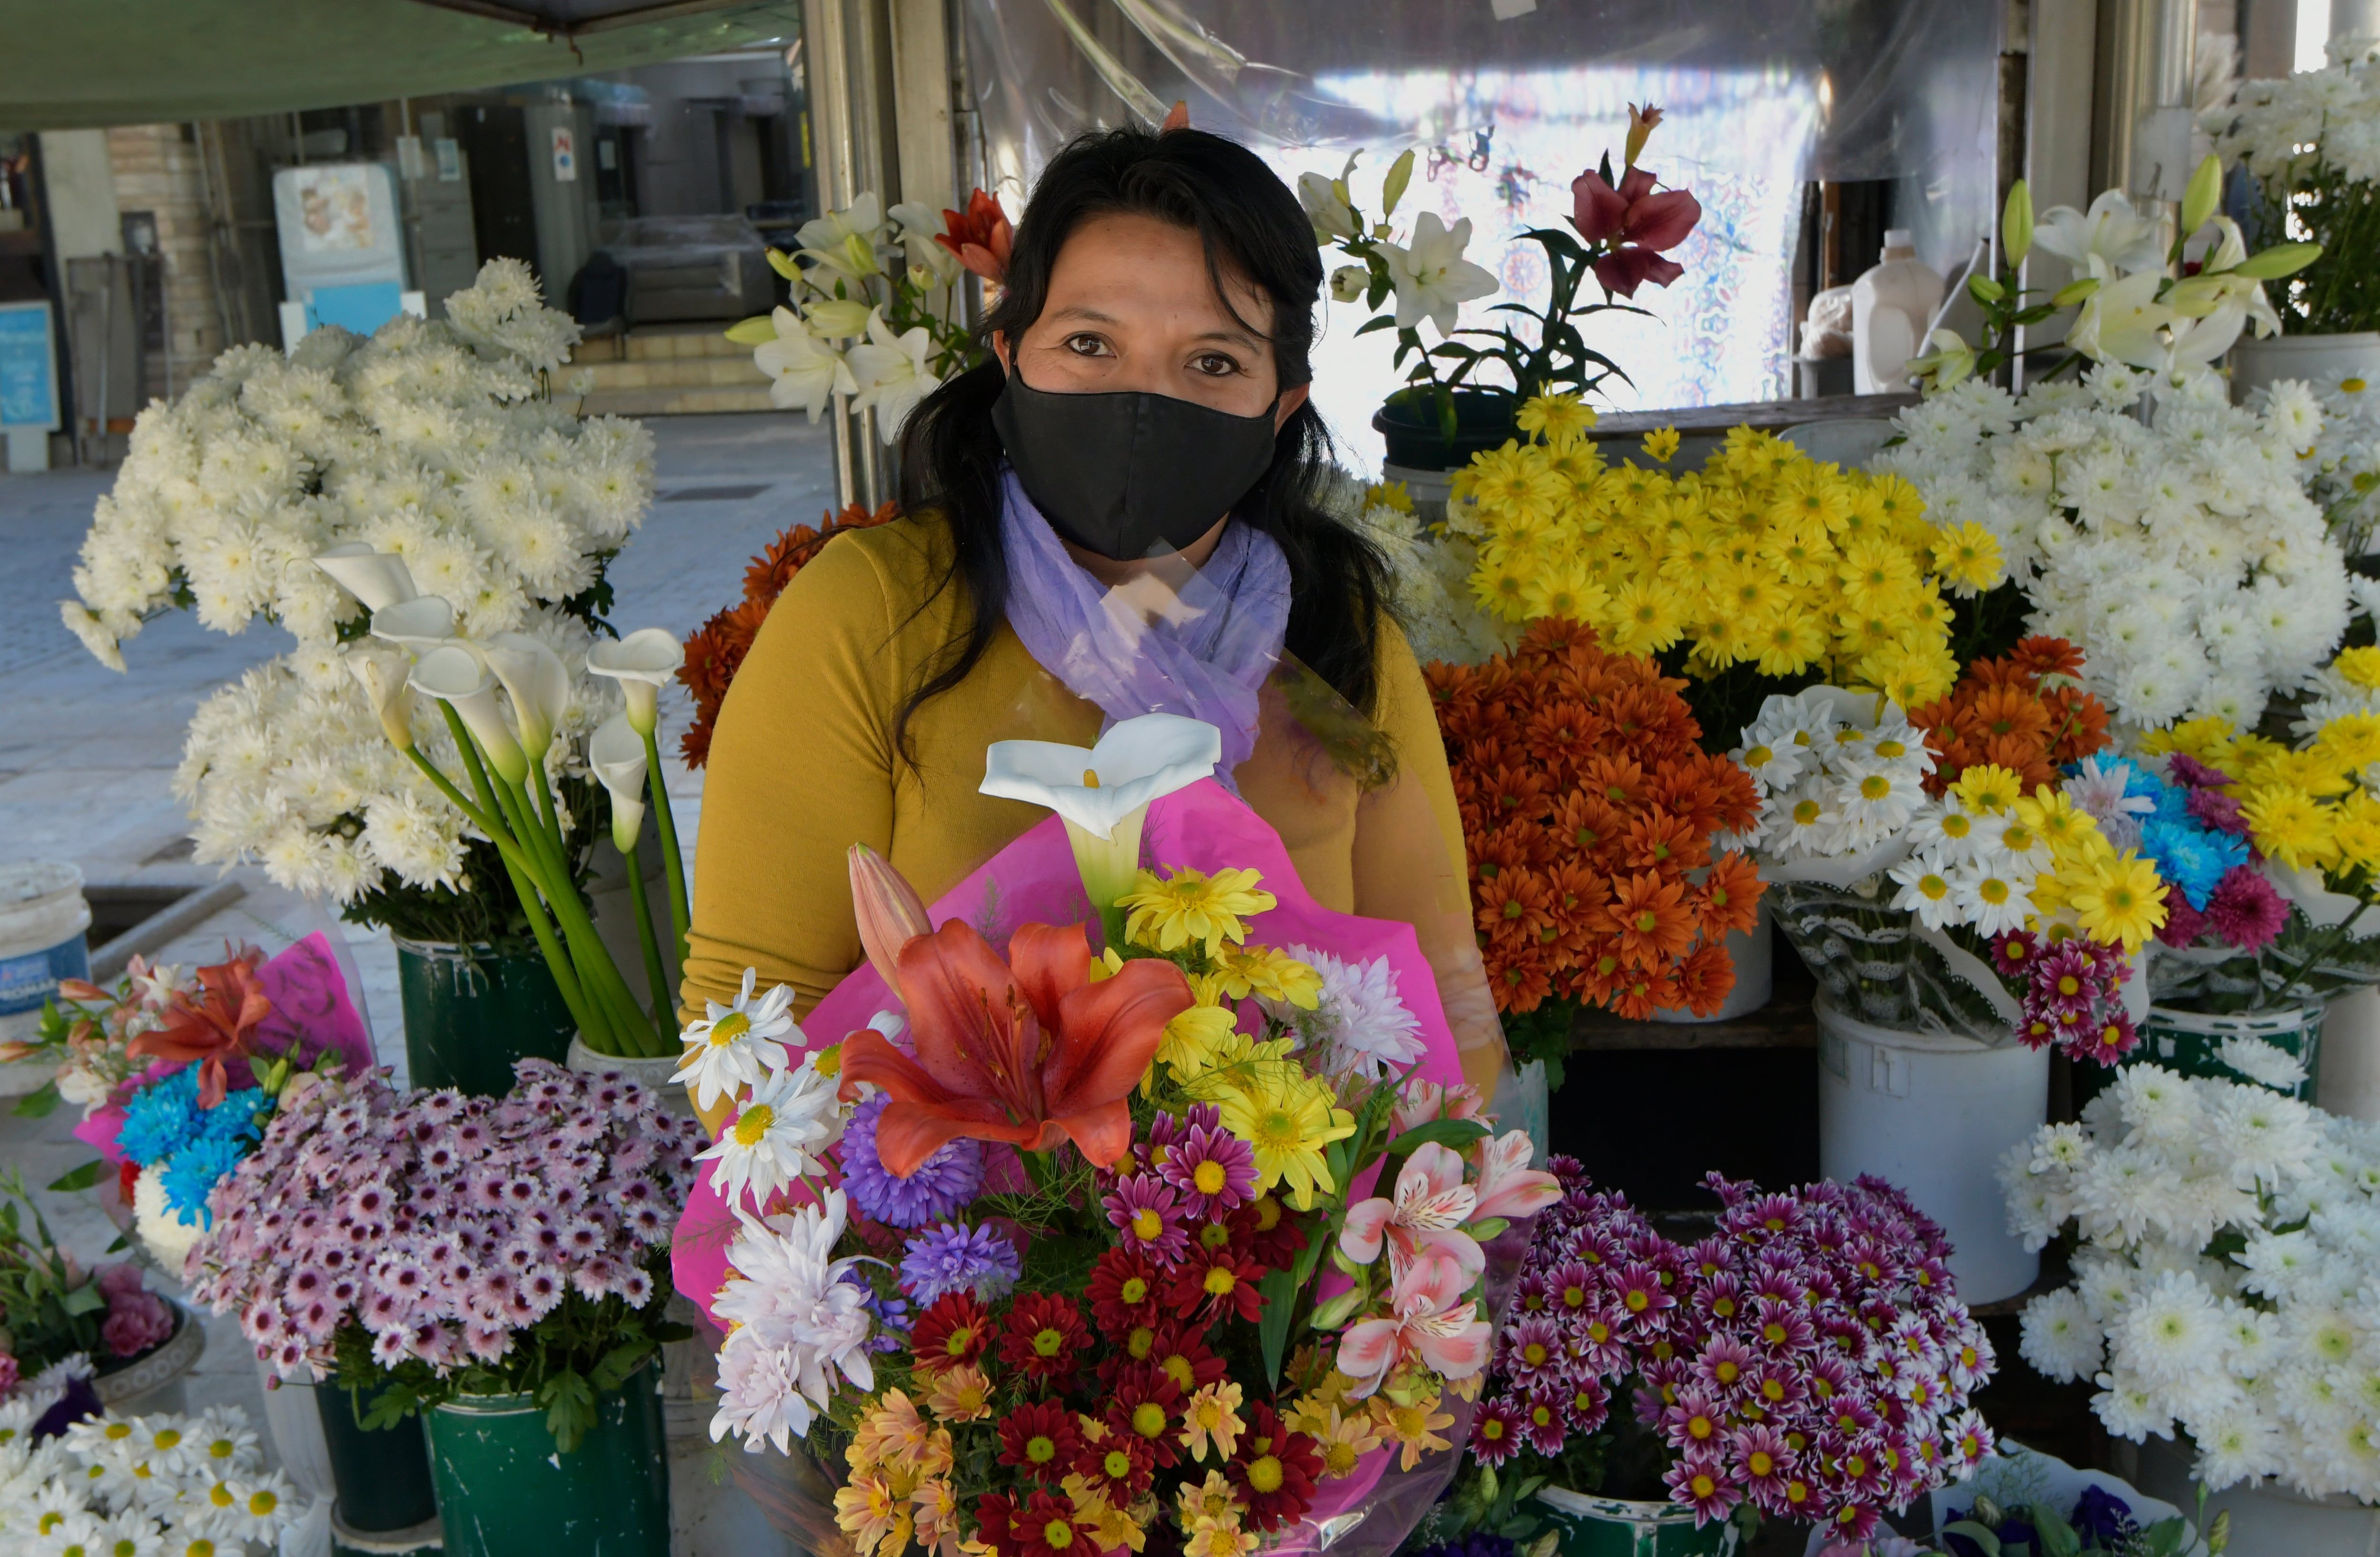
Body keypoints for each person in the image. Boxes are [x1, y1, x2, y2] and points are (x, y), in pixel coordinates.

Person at [682, 124, 1508, 1100]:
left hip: (1289, 1223)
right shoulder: (876, 613)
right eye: (1088, 344)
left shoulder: (1331, 641)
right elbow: (747, 1026)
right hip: (939, 1233)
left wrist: (1373, 1235)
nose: (1143, 401)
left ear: (1280, 407)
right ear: (1008, 357)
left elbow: (1448, 1014)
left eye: (1212, 362)